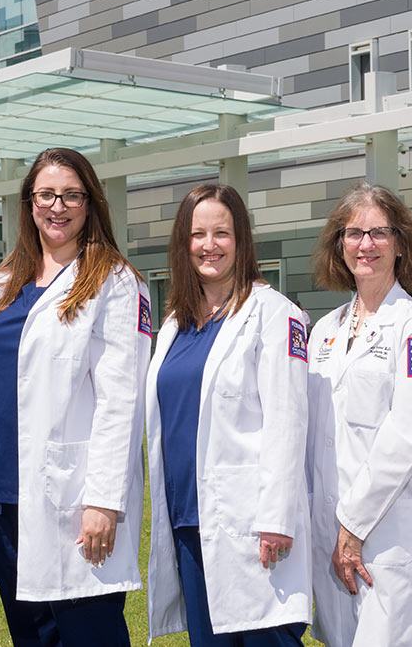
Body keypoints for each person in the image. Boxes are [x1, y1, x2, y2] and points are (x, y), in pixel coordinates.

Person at [0, 148, 151, 646]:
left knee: (88, 635)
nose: (58, 206)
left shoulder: (116, 282)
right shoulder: (4, 283)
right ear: (29, 203)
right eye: (46, 194)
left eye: (72, 195)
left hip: (73, 502)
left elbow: (122, 400)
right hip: (1, 499)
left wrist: (104, 502)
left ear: (90, 203)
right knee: (31, 636)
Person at [144, 183, 312, 647]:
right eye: (198, 234)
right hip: (188, 521)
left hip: (250, 524)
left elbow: (288, 419)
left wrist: (276, 516)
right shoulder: (175, 323)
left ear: (241, 240)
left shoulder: (275, 315)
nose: (209, 245)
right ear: (183, 243)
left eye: (222, 232)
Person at [304, 183, 412, 647]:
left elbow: (408, 438)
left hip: (384, 533)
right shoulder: (324, 331)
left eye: (379, 233)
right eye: (354, 233)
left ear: (401, 243)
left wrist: (353, 525)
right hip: (327, 528)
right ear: (338, 244)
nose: (365, 245)